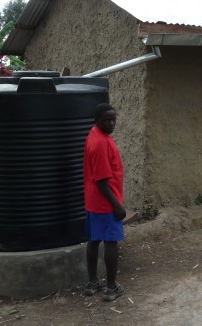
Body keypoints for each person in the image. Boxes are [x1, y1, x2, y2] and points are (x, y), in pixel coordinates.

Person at [83, 103, 126, 302]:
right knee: (110, 242)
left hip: (93, 200)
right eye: (106, 120)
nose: (111, 123)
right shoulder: (100, 143)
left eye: (113, 119)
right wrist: (117, 205)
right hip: (106, 201)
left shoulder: (95, 135)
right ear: (96, 121)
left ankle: (93, 283)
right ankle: (111, 288)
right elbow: (101, 180)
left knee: (94, 240)